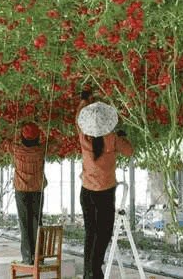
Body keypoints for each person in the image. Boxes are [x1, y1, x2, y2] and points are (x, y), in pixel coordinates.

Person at [76, 87, 134, 279]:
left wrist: (84, 100)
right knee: (104, 232)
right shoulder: (113, 139)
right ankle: (95, 270)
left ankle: (89, 273)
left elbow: (79, 118)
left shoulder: (84, 137)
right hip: (105, 193)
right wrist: (122, 136)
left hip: (87, 192)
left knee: (90, 233)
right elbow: (129, 151)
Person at [12, 121, 49, 265]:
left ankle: (27, 258)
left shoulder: (16, 149)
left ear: (22, 137)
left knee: (24, 223)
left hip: (21, 190)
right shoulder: (40, 150)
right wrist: (44, 129)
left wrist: (17, 131)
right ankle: (38, 258)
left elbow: (8, 142)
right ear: (37, 138)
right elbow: (54, 143)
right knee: (37, 222)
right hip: (37, 190)